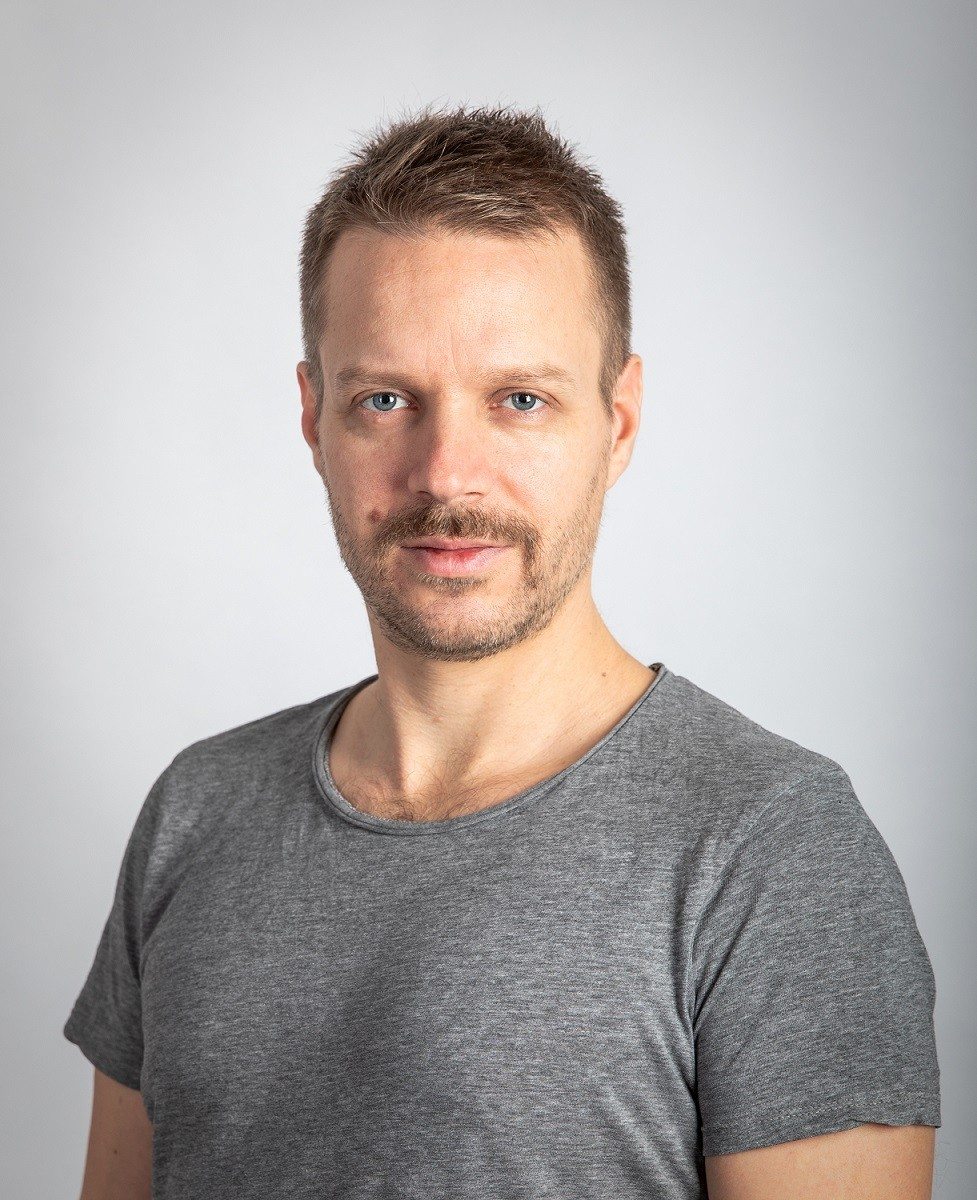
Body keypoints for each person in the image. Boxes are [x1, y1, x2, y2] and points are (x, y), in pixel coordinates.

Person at [63, 104, 940, 1200]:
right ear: (314, 419)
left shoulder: (771, 849)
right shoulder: (196, 810)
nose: (445, 474)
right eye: (385, 399)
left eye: (519, 399)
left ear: (618, 423)